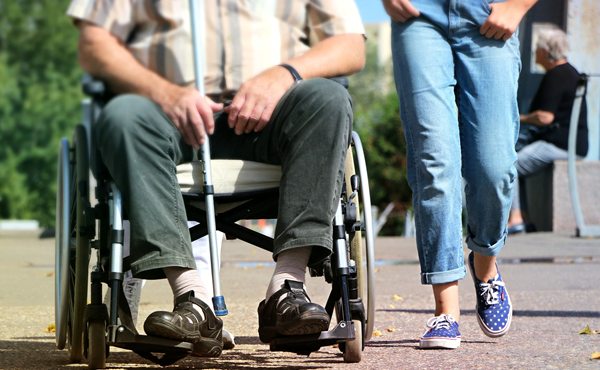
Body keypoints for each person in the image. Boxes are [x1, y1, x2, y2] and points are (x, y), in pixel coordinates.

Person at [66, 0, 365, 357]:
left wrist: (284, 73)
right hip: (166, 115)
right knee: (123, 115)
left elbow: (350, 44)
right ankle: (191, 299)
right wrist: (164, 91)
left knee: (329, 98)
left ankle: (287, 287)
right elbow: (94, 42)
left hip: (273, 114)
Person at [382, 0, 537, 349]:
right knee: (434, 162)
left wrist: (519, 4)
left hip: (489, 12)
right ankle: (446, 311)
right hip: (419, 15)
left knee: (493, 166)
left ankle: (485, 267)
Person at [507, 25, 588, 234]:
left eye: (536, 49)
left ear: (544, 51)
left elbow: (545, 117)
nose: (534, 53)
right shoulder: (569, 72)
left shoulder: (557, 75)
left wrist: (517, 117)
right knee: (519, 165)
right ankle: (524, 218)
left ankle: (516, 218)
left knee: (511, 165)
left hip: (559, 144)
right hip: (571, 143)